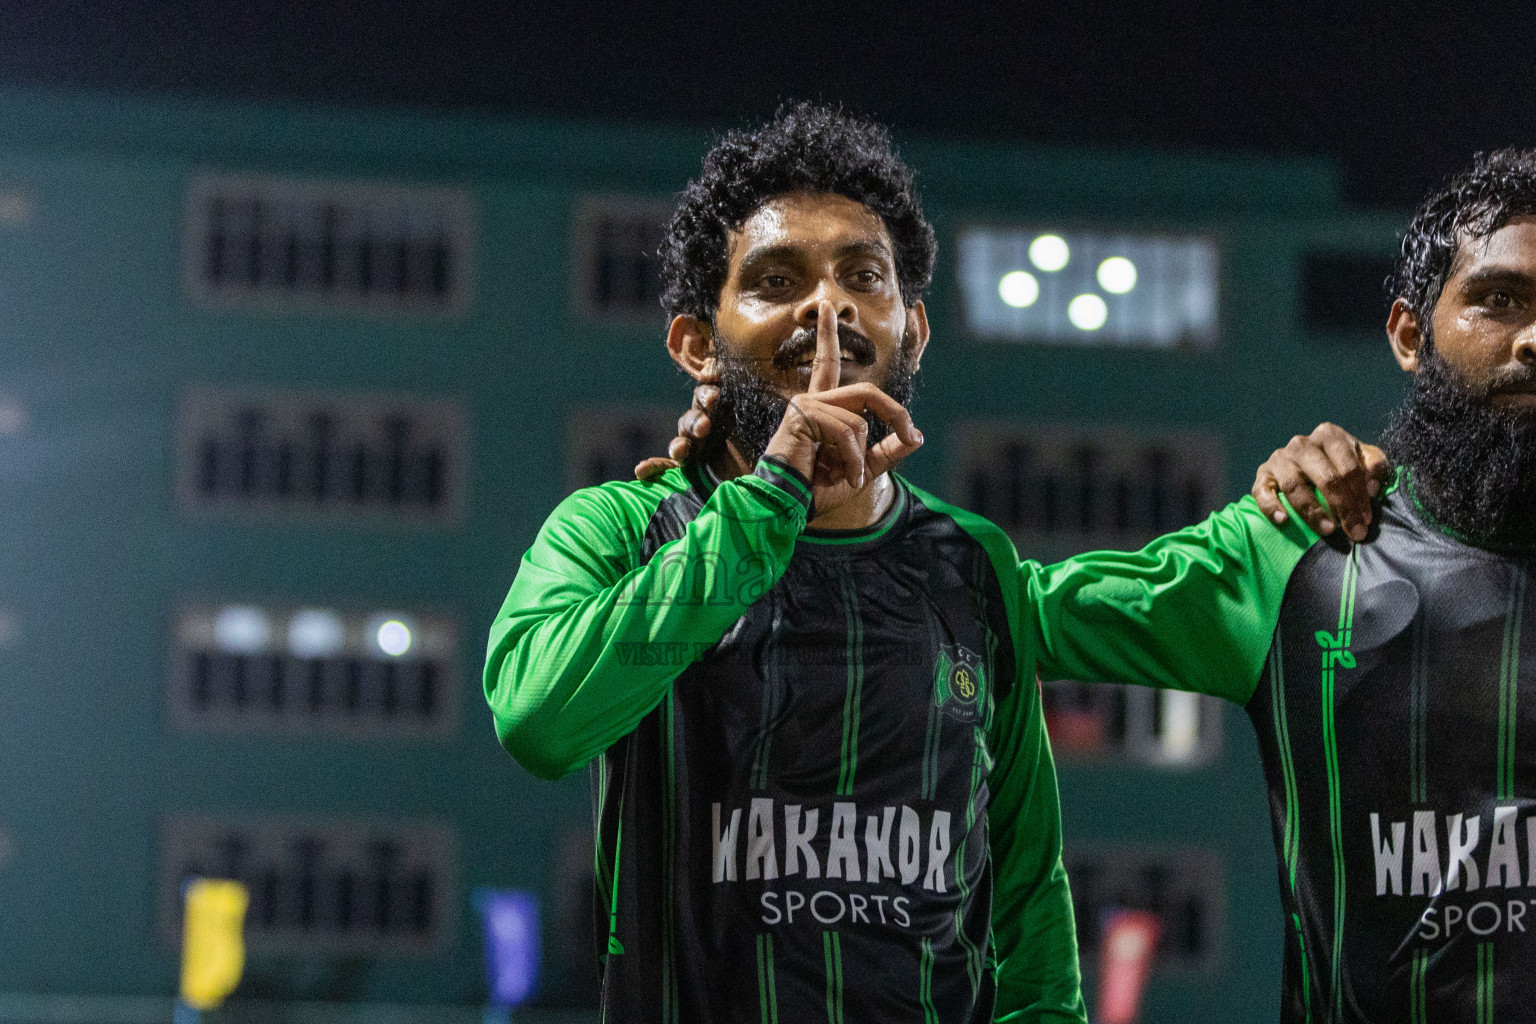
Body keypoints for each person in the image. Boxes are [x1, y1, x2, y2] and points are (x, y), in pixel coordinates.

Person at [484, 104, 1381, 1023]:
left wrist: (1305, 499)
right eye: (776, 278)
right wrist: (769, 499)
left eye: (861, 276)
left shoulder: (971, 567)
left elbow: (1028, 913)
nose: (824, 304)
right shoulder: (617, 531)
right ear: (695, 344)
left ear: (912, 332)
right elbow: (539, 717)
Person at [647, 144, 1536, 1022]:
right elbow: (974, 601)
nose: (1533, 337)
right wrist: (737, 488)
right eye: (1499, 299)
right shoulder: (1307, 546)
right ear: (1410, 335)